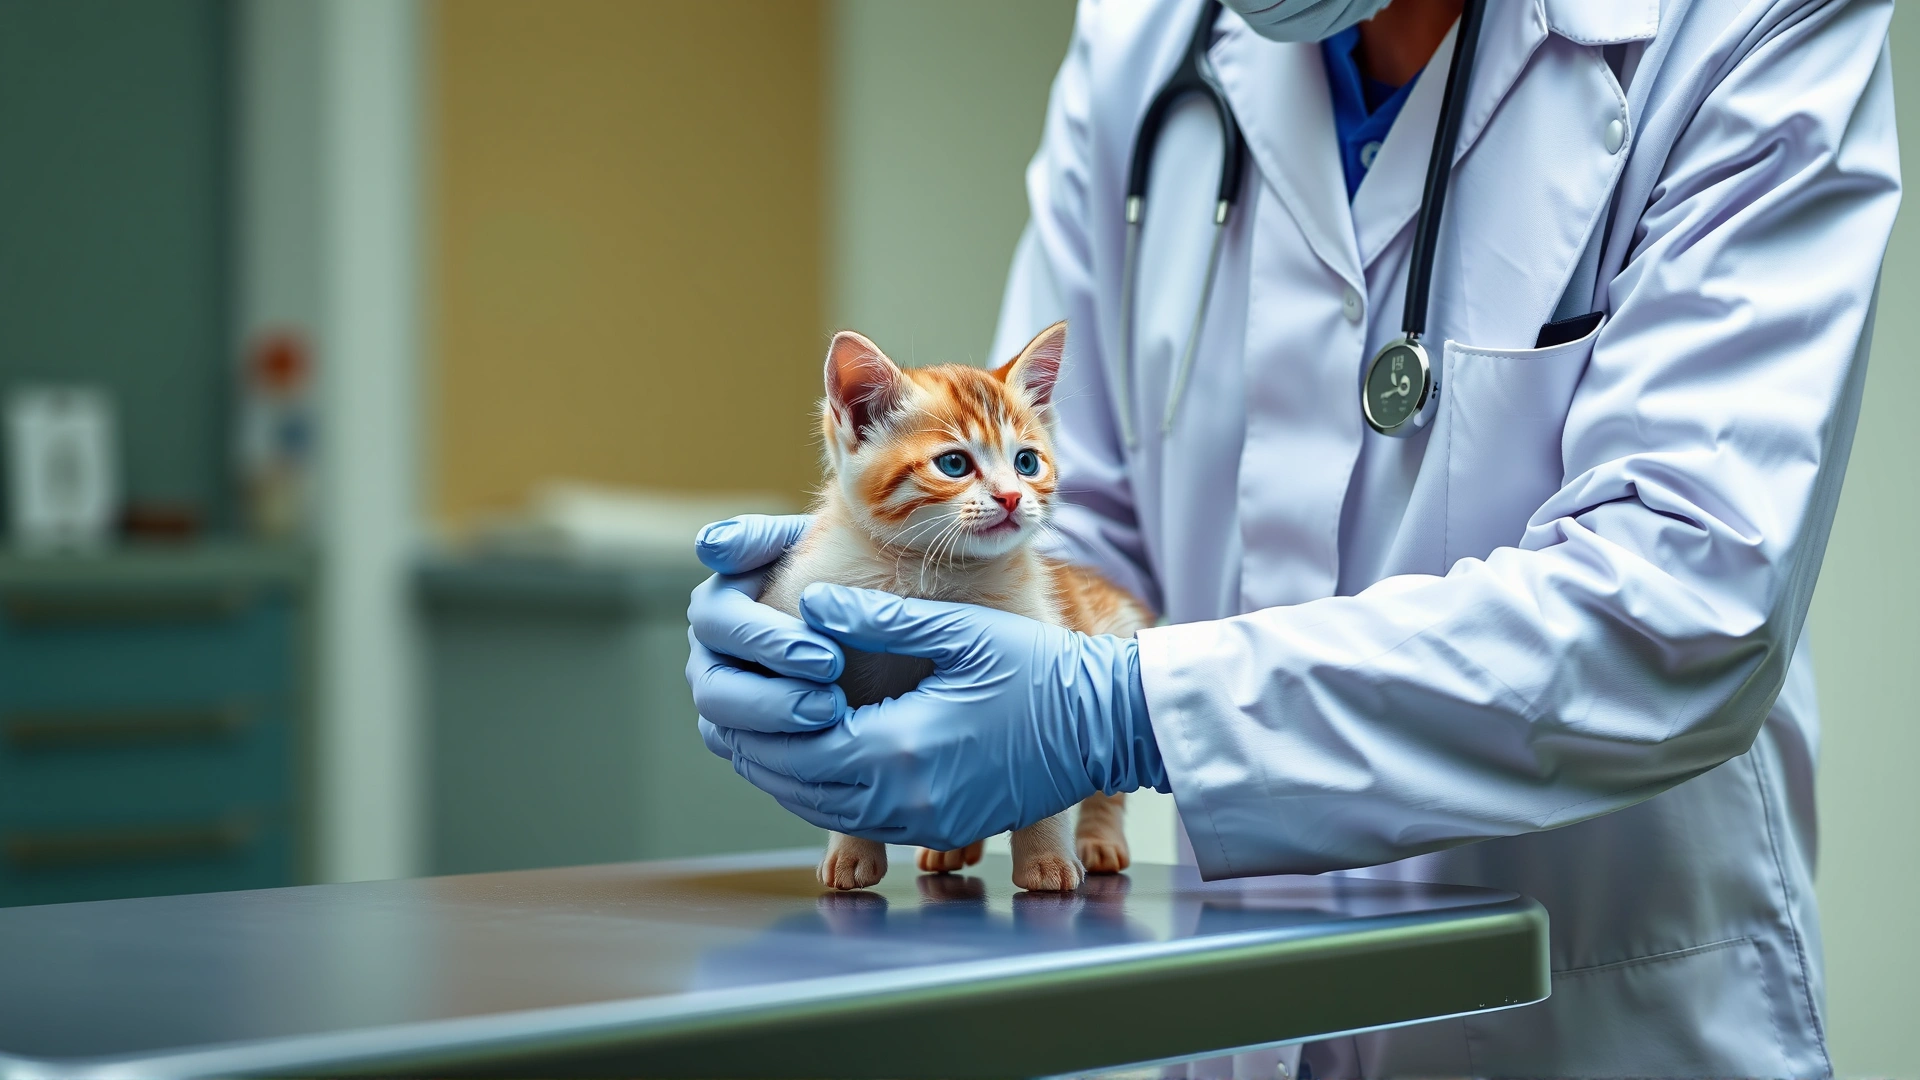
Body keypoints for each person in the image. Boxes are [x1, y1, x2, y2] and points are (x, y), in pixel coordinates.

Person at [686, 0, 1899, 1074]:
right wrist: (858, 603)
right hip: (1229, 1018)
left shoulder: (1746, 21)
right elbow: (1075, 517)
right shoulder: (1144, 41)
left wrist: (1128, 716)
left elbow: (1680, 601)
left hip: (1586, 1017)